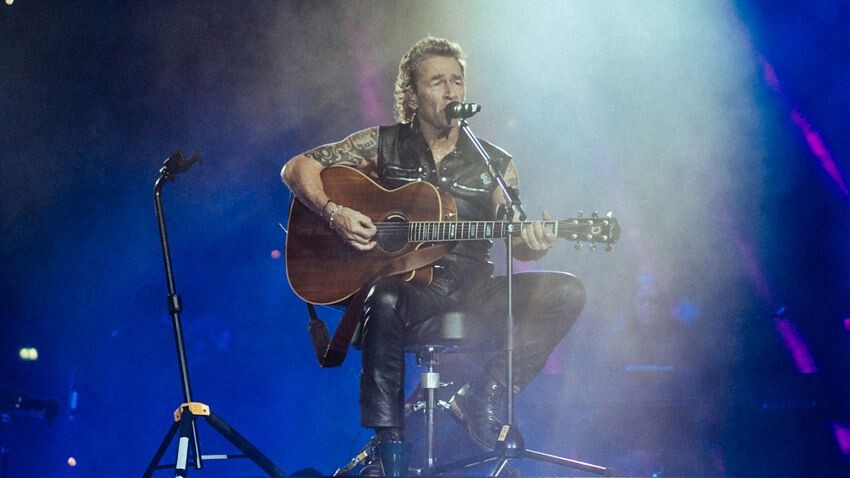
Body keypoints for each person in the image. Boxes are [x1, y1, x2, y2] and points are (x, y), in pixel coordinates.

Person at [281, 37, 586, 472]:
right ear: (411, 95)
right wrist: (335, 213)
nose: (451, 91)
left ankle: (487, 392)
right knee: (385, 294)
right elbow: (297, 168)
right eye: (438, 81)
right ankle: (390, 448)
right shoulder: (381, 145)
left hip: (472, 291)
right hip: (407, 296)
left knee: (567, 292)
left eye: (457, 81)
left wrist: (533, 241)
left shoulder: (494, 163)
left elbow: (516, 239)